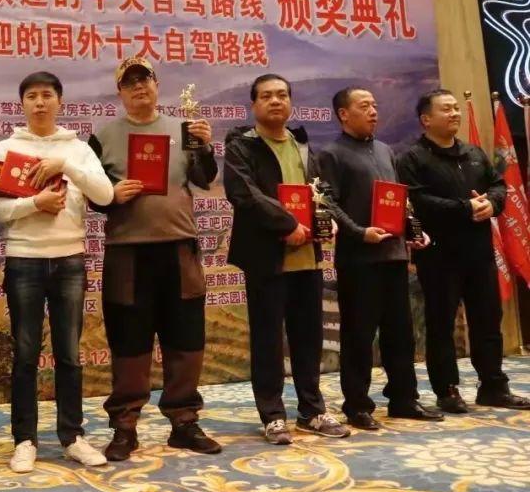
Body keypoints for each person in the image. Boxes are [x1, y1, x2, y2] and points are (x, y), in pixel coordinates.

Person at [88, 55, 223, 460]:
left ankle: (184, 421)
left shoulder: (184, 129)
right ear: (120, 92)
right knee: (129, 342)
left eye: (144, 79)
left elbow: (204, 179)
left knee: (186, 339)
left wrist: (205, 146)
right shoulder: (103, 137)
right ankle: (125, 426)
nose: (138, 87)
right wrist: (112, 195)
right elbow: (93, 197)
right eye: (129, 83)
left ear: (156, 85)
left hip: (179, 248)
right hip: (127, 254)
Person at [0, 71, 114, 473]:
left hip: (69, 260)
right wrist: (35, 204)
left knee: (69, 354)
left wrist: (66, 166)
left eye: (46, 95)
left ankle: (73, 437)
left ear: (60, 101)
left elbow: (106, 194)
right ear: (22, 103)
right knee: (25, 353)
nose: (39, 102)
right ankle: (24, 440)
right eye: (31, 96)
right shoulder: (7, 148)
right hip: (23, 260)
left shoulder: (77, 148)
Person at [223, 73, 350, 444]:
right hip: (267, 257)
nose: (275, 101)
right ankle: (273, 415)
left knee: (308, 338)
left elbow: (321, 192)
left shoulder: (302, 145)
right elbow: (244, 194)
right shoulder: (242, 147)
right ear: (254, 105)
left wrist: (328, 220)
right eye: (266, 96)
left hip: (308, 257)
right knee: (268, 340)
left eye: (282, 94)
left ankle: (312, 411)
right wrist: (287, 224)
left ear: (291, 102)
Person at [396, 89, 530, 412]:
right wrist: (465, 208)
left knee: (488, 320)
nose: (455, 114)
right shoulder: (412, 158)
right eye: (446, 109)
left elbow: (498, 185)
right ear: (426, 119)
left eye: (456, 108)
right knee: (441, 324)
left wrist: (491, 203)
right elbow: (417, 201)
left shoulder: (474, 153)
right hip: (438, 255)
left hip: (479, 252)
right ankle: (447, 390)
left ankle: (493, 386)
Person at [317, 87, 443, 429]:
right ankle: (357, 405)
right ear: (344, 114)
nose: (373, 111)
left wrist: (414, 232)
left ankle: (404, 398)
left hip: (394, 255)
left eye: (374, 105)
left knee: (400, 333)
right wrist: (360, 232)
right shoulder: (331, 154)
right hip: (359, 259)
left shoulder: (386, 150)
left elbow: (400, 200)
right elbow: (328, 203)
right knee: (359, 335)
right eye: (364, 106)